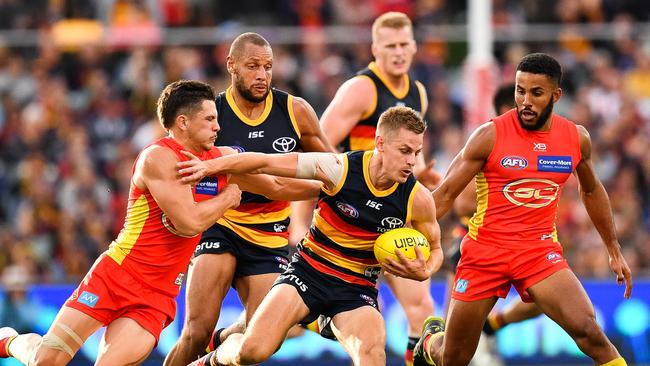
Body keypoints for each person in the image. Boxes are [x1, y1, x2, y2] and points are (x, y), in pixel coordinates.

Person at [0, 80, 319, 366]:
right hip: (115, 275)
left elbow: (276, 186)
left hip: (156, 297)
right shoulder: (158, 158)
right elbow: (190, 221)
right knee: (46, 361)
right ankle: (12, 341)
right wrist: (229, 197)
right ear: (183, 122)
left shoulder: (219, 159)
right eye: (209, 119)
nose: (217, 127)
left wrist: (334, 185)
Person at [413, 53, 633, 366]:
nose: (525, 101)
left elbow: (592, 189)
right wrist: (404, 229)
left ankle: (492, 325)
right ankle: (432, 341)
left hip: (538, 252)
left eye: (536, 93)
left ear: (556, 95)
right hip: (485, 252)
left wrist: (613, 248)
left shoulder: (575, 138)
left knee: (590, 332)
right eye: (520, 91)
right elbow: (446, 194)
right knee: (453, 358)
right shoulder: (489, 135)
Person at [183, 106, 444, 366]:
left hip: (355, 289)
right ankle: (213, 359)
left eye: (417, 153)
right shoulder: (339, 169)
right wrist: (208, 166)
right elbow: (265, 161)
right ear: (380, 143)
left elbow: (436, 248)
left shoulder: (417, 198)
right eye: (405, 151)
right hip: (306, 273)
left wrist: (425, 270)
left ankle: (318, 321)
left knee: (373, 356)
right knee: (251, 352)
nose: (412, 161)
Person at [164, 32, 334, 366]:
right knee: (195, 332)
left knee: (263, 341)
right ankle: (211, 341)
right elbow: (179, 164)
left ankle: (225, 339)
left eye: (268, 67)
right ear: (231, 66)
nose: (262, 75)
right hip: (220, 223)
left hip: (270, 232)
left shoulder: (295, 111)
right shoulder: (213, 115)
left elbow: (333, 167)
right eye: (253, 66)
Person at [318, 11, 438, 365]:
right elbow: (319, 141)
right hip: (351, 217)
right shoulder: (362, 89)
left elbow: (413, 149)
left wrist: (421, 174)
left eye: (404, 44)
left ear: (414, 46)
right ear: (375, 49)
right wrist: (345, 187)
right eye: (390, 46)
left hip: (394, 215)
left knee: (422, 307)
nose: (398, 52)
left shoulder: (418, 93)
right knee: (365, 315)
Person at [444, 84, 543, 366]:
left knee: (546, 301)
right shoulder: (488, 140)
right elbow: (460, 203)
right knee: (454, 324)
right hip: (478, 239)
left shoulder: (540, 146)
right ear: (504, 111)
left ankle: (491, 326)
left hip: (526, 241)